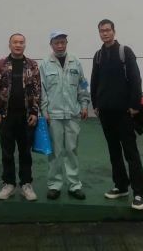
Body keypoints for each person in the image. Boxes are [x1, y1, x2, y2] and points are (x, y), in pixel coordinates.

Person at [90, 19, 143, 210]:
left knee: (131, 152)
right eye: (101, 31)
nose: (105, 33)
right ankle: (121, 186)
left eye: (108, 30)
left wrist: (134, 105)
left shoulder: (125, 52)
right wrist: (95, 104)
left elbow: (136, 79)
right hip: (105, 113)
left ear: (114, 31)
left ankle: (139, 193)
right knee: (114, 151)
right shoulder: (98, 56)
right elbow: (95, 81)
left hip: (124, 113)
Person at [0, 32, 41, 201]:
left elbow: (37, 89)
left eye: (21, 42)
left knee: (25, 152)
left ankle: (26, 184)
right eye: (15, 42)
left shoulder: (32, 65)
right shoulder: (0, 64)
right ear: (10, 45)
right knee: (7, 152)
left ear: (25, 45)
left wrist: (34, 112)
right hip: (6, 116)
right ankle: (9, 184)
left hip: (26, 117)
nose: (18, 45)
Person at [39, 30, 89, 200]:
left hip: (73, 114)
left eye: (63, 42)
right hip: (53, 115)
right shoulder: (45, 64)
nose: (60, 46)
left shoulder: (76, 62)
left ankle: (74, 185)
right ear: (51, 44)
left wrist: (84, 104)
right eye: (56, 43)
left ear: (66, 43)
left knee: (72, 150)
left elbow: (83, 84)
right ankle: (54, 185)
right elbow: (42, 91)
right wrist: (44, 111)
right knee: (55, 152)